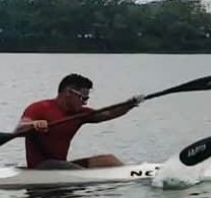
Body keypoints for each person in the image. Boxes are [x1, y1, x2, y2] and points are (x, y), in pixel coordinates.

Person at [16, 73, 144, 170]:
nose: (85, 102)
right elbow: (20, 128)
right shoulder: (40, 108)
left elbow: (109, 113)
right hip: (41, 166)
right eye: (83, 97)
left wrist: (130, 104)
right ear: (68, 92)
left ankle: (132, 174)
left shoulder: (80, 114)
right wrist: (34, 124)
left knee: (108, 160)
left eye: (87, 98)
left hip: (61, 165)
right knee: (75, 170)